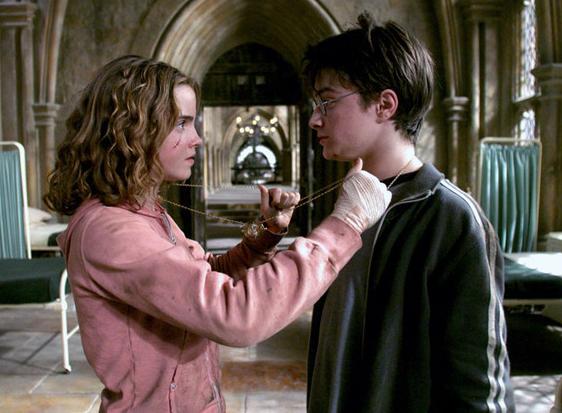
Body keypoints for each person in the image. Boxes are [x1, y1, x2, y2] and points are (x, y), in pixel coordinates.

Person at [43, 55, 391, 413]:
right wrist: (344, 225)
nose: (197, 139)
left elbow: (204, 275)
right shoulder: (111, 230)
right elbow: (235, 315)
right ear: (133, 128)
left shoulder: (143, 212)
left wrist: (265, 234)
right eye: (182, 123)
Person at [303, 13, 515, 413]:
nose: (315, 118)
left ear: (384, 104)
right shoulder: (351, 203)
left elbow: (479, 388)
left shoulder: (452, 218)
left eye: (327, 101)